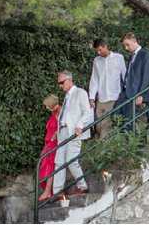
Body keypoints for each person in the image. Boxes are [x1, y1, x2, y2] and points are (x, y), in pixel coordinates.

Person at [53, 71, 92, 199]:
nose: (60, 86)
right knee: (59, 162)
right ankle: (58, 192)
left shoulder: (80, 92)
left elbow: (87, 112)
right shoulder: (67, 96)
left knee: (71, 161)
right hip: (63, 131)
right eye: (59, 83)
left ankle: (82, 186)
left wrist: (80, 125)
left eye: (62, 82)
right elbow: (66, 116)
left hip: (74, 132)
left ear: (69, 80)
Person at [88, 39, 126, 139]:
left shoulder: (119, 58)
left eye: (100, 50)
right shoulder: (97, 61)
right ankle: (104, 145)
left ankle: (102, 148)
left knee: (106, 124)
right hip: (101, 98)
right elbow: (94, 79)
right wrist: (91, 97)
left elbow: (125, 76)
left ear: (105, 46)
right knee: (98, 126)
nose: (98, 53)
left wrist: (126, 94)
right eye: (97, 51)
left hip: (114, 97)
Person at [118, 32, 149, 131]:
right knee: (117, 115)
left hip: (136, 93)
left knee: (129, 120)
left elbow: (146, 77)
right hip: (125, 92)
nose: (126, 48)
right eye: (124, 45)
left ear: (134, 41)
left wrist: (141, 94)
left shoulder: (144, 55)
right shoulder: (132, 56)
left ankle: (130, 143)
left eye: (127, 44)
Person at [38, 94, 60, 201]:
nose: (46, 108)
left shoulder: (60, 112)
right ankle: (47, 191)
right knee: (45, 166)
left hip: (54, 143)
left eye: (47, 105)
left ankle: (47, 191)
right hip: (49, 144)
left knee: (50, 167)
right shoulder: (53, 113)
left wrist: (55, 135)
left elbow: (62, 126)